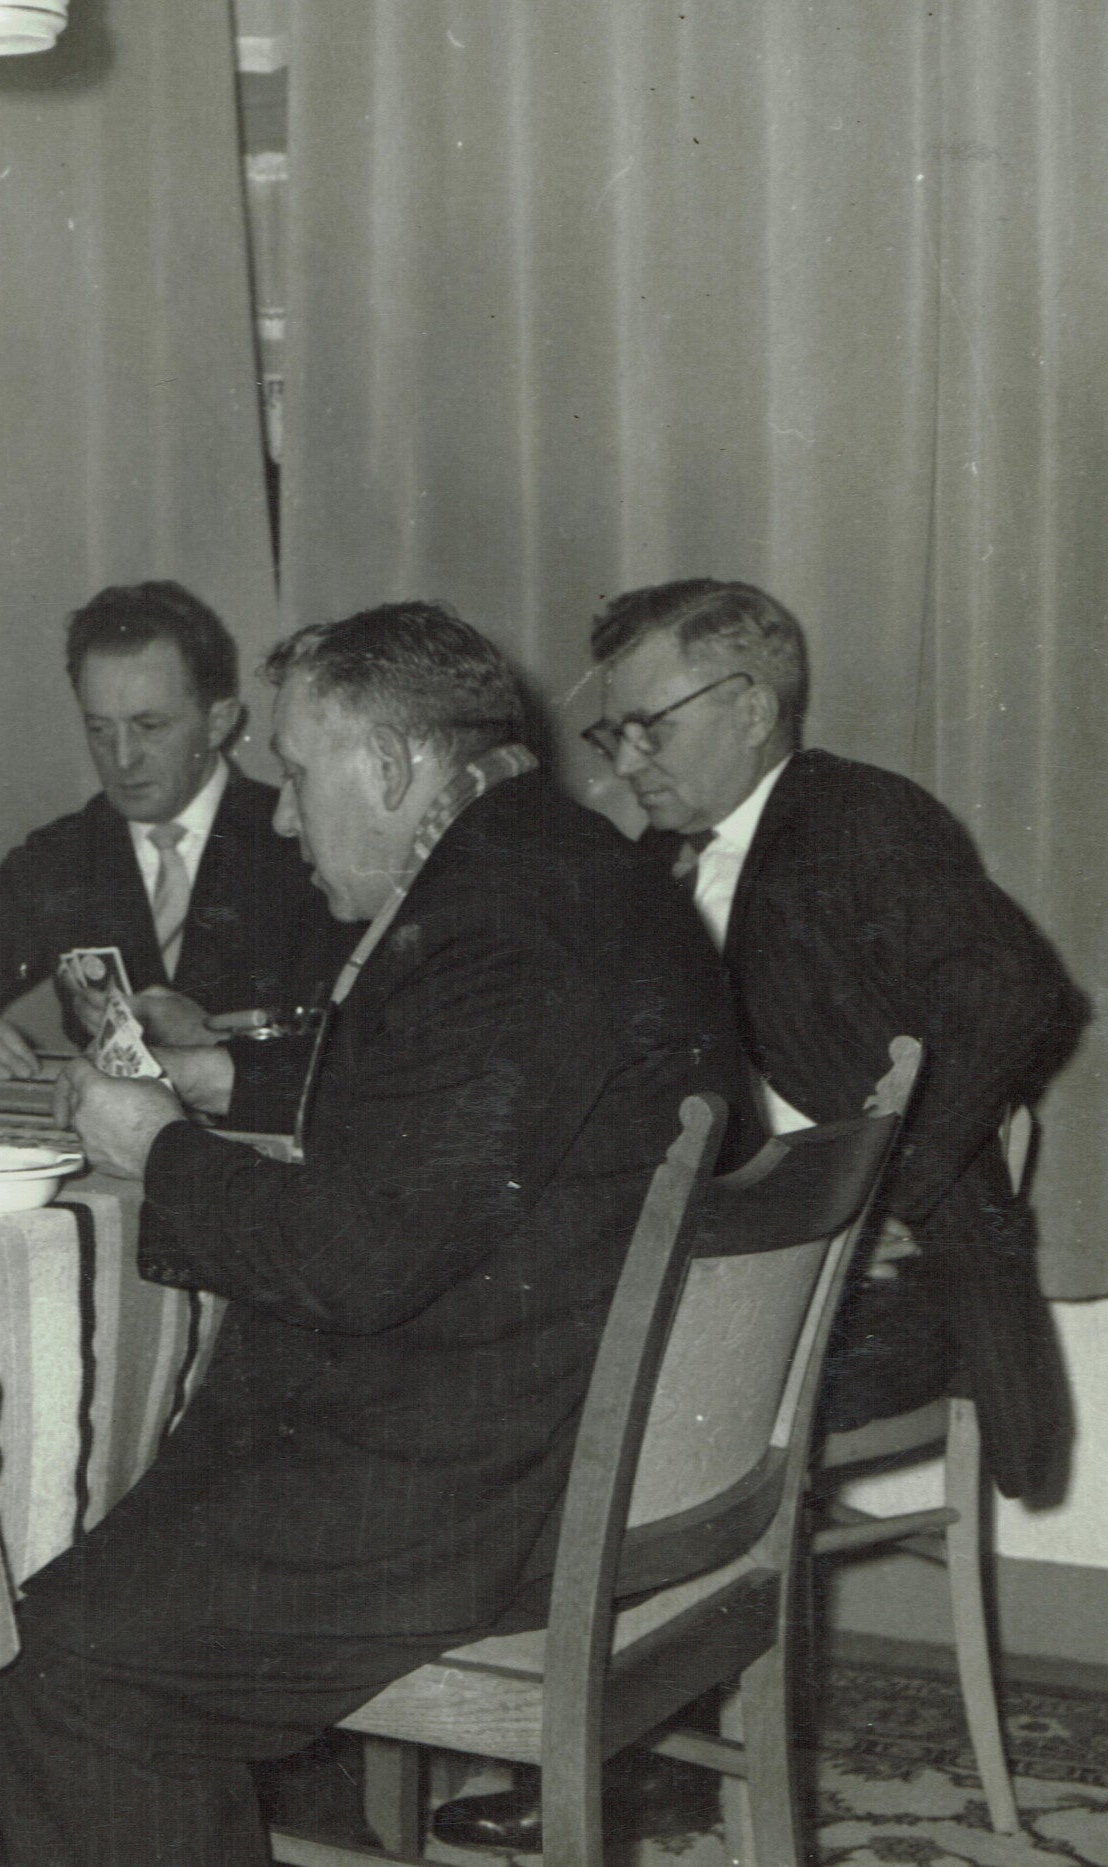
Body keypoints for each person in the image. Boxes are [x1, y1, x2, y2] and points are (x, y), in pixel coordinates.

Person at [0, 601, 750, 1867]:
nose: (284, 817)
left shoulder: (496, 920)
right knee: (113, 1543)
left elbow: (355, 1258)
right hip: (555, 1415)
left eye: (295, 773)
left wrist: (155, 1145)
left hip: (474, 1481)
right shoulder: (558, 859)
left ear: (390, 765)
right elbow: (479, 1103)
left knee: (53, 1663)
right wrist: (235, 1081)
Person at [433, 575, 1084, 1852]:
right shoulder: (661, 861)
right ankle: (561, 1709)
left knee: (612, 1393)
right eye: (613, 731)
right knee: (508, 1347)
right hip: (726, 1272)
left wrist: (889, 1192)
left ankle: (627, 1743)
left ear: (751, 706)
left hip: (895, 1288)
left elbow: (1019, 993)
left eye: (650, 726)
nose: (625, 759)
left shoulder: (857, 821)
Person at [0, 580, 338, 1093]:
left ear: (218, 722)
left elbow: (361, 1065)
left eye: (150, 726)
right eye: (100, 729)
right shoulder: (62, 856)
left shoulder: (303, 845)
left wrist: (216, 1045)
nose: (122, 759)